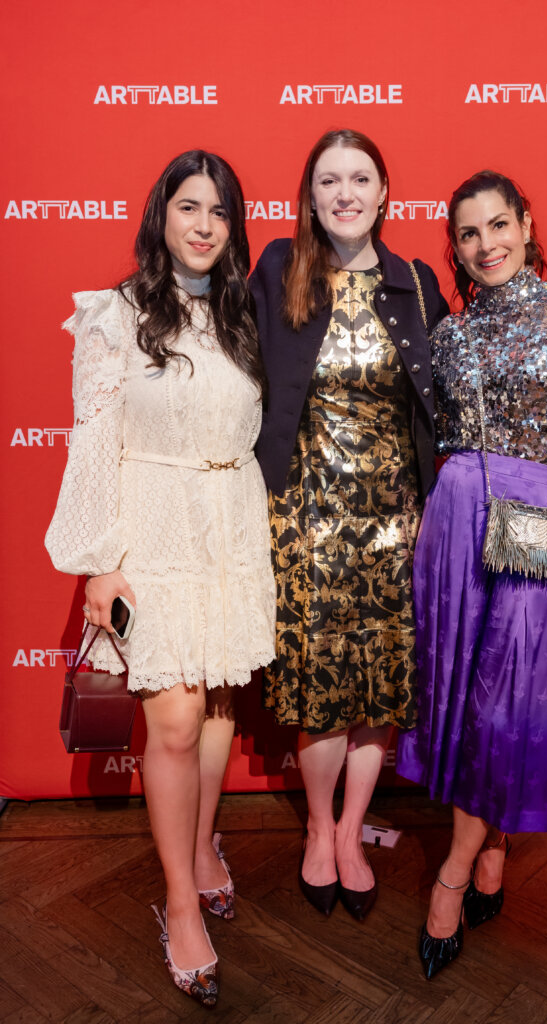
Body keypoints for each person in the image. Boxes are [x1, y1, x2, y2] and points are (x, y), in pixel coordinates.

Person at [45, 150, 275, 1007]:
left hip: (231, 517)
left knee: (218, 701)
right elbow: (92, 438)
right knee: (172, 723)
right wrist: (101, 562)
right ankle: (179, 901)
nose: (204, 224)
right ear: (161, 216)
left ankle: (205, 844)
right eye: (189, 206)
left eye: (219, 210)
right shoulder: (114, 314)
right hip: (151, 524)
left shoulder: (247, 312)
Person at [395, 170, 547, 978]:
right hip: (459, 523)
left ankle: (451, 876)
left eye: (498, 226)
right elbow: (443, 439)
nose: (485, 245)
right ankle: (490, 841)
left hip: (540, 522)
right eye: (468, 234)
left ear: (526, 225)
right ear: (455, 248)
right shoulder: (453, 335)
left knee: (503, 705)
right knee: (470, 705)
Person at [250, 129, 449, 921]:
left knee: (381, 687)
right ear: (309, 195)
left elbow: (441, 403)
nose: (344, 193)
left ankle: (345, 825)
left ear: (383, 192)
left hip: (397, 521)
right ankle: (319, 835)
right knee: (320, 686)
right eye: (328, 180)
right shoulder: (280, 269)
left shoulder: (414, 281)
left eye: (359, 178)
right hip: (306, 519)